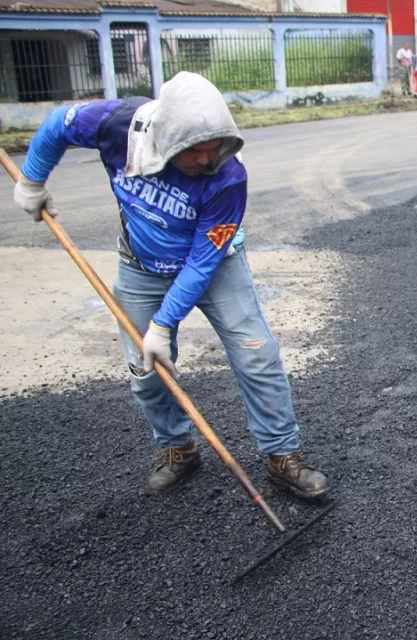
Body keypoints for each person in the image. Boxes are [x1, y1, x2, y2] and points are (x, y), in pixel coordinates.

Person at [11, 72, 328, 499]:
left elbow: (203, 261)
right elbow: (57, 126)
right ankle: (179, 448)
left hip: (216, 265)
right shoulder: (115, 125)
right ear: (165, 140)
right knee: (145, 371)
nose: (205, 160)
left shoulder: (228, 177)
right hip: (140, 265)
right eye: (193, 152)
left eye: (213, 149)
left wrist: (163, 325)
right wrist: (32, 180)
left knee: (257, 353)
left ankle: (282, 455)